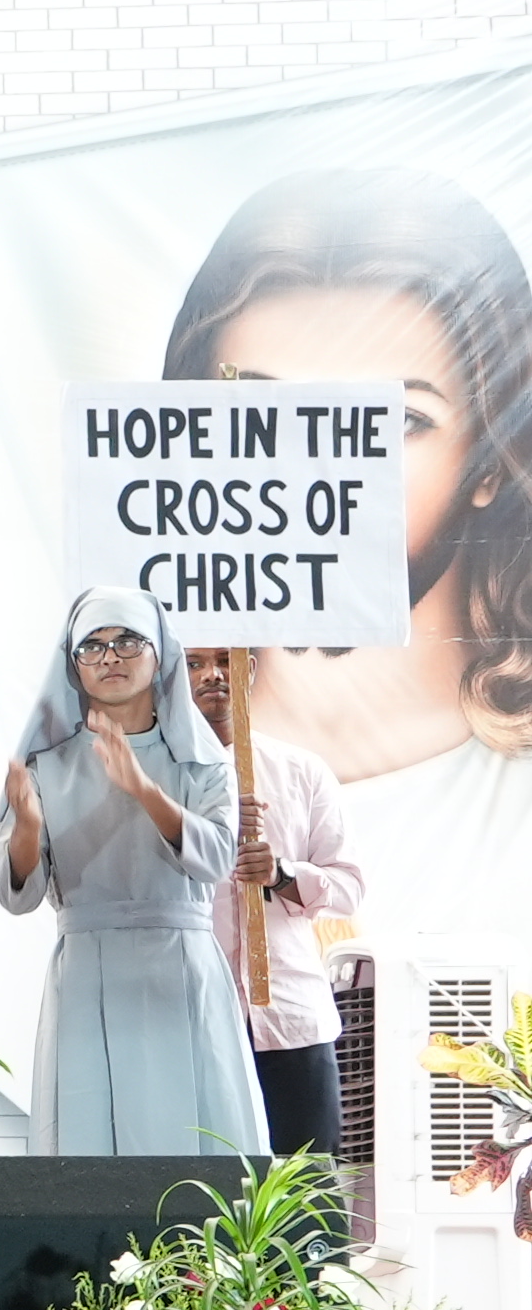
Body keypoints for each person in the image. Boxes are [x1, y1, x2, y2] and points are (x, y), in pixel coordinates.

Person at [160, 171, 528, 948]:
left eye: (393, 421)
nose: (316, 473)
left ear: (493, 459)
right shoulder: (148, 767)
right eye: (259, 413)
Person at [0, 587, 265, 1160]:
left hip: (180, 968)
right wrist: (27, 829)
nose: (109, 657)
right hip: (88, 970)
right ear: (73, 665)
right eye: (91, 646)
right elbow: (17, 897)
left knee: (194, 1141)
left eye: (127, 641)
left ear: (159, 653)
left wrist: (144, 789)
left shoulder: (202, 760)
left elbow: (217, 858)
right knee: (92, 1146)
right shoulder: (47, 764)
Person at [188, 647, 369, 1161]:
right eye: (195, 664)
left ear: (249, 669)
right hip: (195, 1019)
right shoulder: (160, 780)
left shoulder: (301, 770)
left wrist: (281, 874)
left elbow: (349, 886)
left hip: (291, 1019)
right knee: (202, 1185)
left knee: (306, 1184)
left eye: (225, 660)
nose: (213, 675)